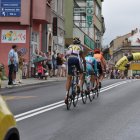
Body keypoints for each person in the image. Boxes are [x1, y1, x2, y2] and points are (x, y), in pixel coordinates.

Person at [65, 37, 86, 104]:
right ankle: (79, 85)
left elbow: (66, 55)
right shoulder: (80, 47)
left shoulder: (69, 46)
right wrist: (84, 67)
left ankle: (66, 95)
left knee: (69, 78)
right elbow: (83, 59)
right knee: (81, 72)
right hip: (76, 59)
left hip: (69, 60)